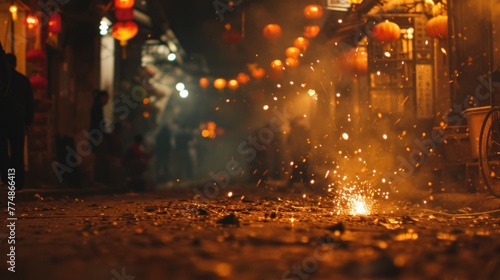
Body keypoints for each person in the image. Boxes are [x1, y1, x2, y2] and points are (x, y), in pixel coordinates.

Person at [0, 53, 34, 190]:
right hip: (18, 120)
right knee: (17, 152)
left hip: (2, 119)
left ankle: (7, 179)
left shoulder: (2, 80)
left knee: (2, 151)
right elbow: (29, 103)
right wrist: (28, 121)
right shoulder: (23, 80)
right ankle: (17, 183)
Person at [89, 90, 110, 184]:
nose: (107, 100)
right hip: (97, 135)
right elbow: (98, 123)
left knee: (98, 158)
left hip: (96, 134)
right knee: (99, 158)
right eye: (106, 98)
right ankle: (97, 179)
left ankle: (98, 179)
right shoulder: (97, 107)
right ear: (102, 97)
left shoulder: (97, 106)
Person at [287, 117, 311, 187]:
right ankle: (303, 183)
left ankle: (305, 184)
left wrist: (307, 150)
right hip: (299, 153)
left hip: (302, 152)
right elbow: (289, 143)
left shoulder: (300, 130)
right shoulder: (299, 130)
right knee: (299, 167)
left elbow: (307, 141)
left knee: (302, 167)